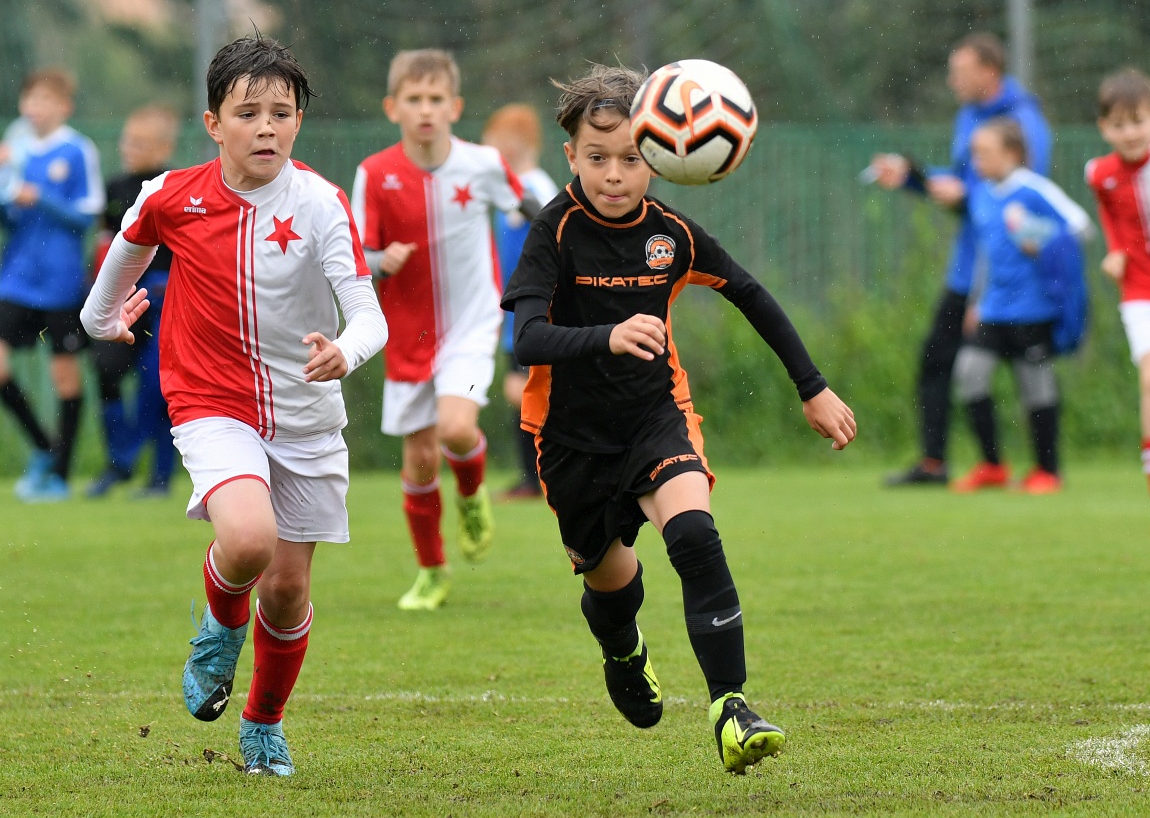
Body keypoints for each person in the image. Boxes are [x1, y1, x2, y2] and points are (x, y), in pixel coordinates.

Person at [501, 64, 856, 774]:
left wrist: (812, 387)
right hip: (570, 440)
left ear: (661, 155)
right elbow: (527, 339)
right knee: (612, 585)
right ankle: (621, 645)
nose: (614, 174)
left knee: (693, 533)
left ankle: (732, 707)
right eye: (597, 158)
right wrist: (606, 335)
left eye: (631, 158)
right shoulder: (554, 230)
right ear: (570, 156)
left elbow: (749, 292)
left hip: (656, 417)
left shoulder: (671, 233)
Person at [81, 35, 387, 776]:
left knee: (285, 591)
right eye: (247, 114)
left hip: (306, 413)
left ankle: (263, 722)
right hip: (210, 399)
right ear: (213, 124)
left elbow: (368, 316)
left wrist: (346, 351)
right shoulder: (170, 195)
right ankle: (220, 631)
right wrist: (105, 321)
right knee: (248, 541)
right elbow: (109, 286)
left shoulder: (320, 203)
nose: (266, 128)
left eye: (281, 113)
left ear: (299, 122)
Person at [351, 49, 534, 611]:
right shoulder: (375, 174)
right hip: (407, 334)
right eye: (414, 99)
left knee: (456, 428)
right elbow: (358, 253)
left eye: (436, 99)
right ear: (393, 108)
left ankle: (473, 495)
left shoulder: (482, 163)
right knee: (420, 460)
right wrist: (382, 260)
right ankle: (432, 570)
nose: (425, 109)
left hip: (472, 324)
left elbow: (531, 209)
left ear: (455, 107)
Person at [872, 33, 1052, 486]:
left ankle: (1047, 469)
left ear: (989, 71)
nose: (953, 80)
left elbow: (1023, 196)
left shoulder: (1026, 121)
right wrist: (913, 179)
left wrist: (966, 194)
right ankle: (943, 462)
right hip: (967, 269)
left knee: (1029, 371)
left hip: (1010, 276)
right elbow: (961, 186)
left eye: (961, 72)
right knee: (941, 361)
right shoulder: (968, 116)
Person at [0, 67, 104, 502]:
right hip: (16, 278)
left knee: (65, 378)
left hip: (60, 283)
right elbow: (4, 218)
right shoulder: (14, 149)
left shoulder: (78, 150)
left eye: (46, 100)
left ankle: (61, 476)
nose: (36, 107)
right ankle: (44, 447)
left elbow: (86, 217)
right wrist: (0, 191)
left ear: (64, 107)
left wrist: (41, 197)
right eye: (30, 99)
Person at [952, 118, 1091, 494]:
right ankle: (992, 465)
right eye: (975, 153)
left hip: (1034, 310)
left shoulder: (1034, 189)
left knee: (1036, 387)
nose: (977, 161)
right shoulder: (981, 193)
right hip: (993, 309)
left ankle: (1048, 470)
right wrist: (976, 302)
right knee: (969, 374)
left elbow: (1081, 227)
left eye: (985, 153)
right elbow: (986, 253)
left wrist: (1037, 234)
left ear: (1012, 153)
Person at [1086, 70, 1150, 532]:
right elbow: (1113, 216)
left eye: (1138, 121)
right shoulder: (1099, 174)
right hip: (1144, 294)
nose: (1130, 133)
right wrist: (1117, 251)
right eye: (1119, 124)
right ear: (1104, 128)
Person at [85, 105, 181, 498]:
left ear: (164, 148)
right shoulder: (114, 189)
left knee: (158, 386)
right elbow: (106, 244)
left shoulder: (175, 189)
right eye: (127, 141)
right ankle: (119, 461)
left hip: (165, 301)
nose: (129, 148)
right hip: (124, 300)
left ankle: (158, 476)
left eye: (141, 143)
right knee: (105, 369)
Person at [481, 103, 559, 500]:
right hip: (512, 310)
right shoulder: (508, 188)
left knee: (524, 389)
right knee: (521, 391)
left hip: (536, 309)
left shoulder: (535, 187)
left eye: (493, 141)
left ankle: (549, 470)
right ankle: (533, 479)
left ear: (512, 144)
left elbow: (554, 236)